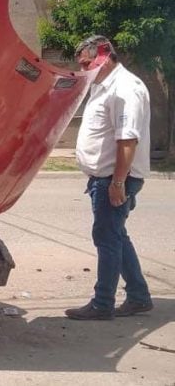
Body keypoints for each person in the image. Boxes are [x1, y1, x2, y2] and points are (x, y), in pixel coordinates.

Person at [65, 35, 153, 320]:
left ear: (105, 56)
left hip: (114, 179)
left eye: (88, 63)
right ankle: (139, 296)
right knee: (116, 235)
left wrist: (117, 183)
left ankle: (103, 304)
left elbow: (127, 141)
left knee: (106, 237)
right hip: (103, 178)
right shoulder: (102, 85)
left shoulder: (125, 88)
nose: (84, 69)